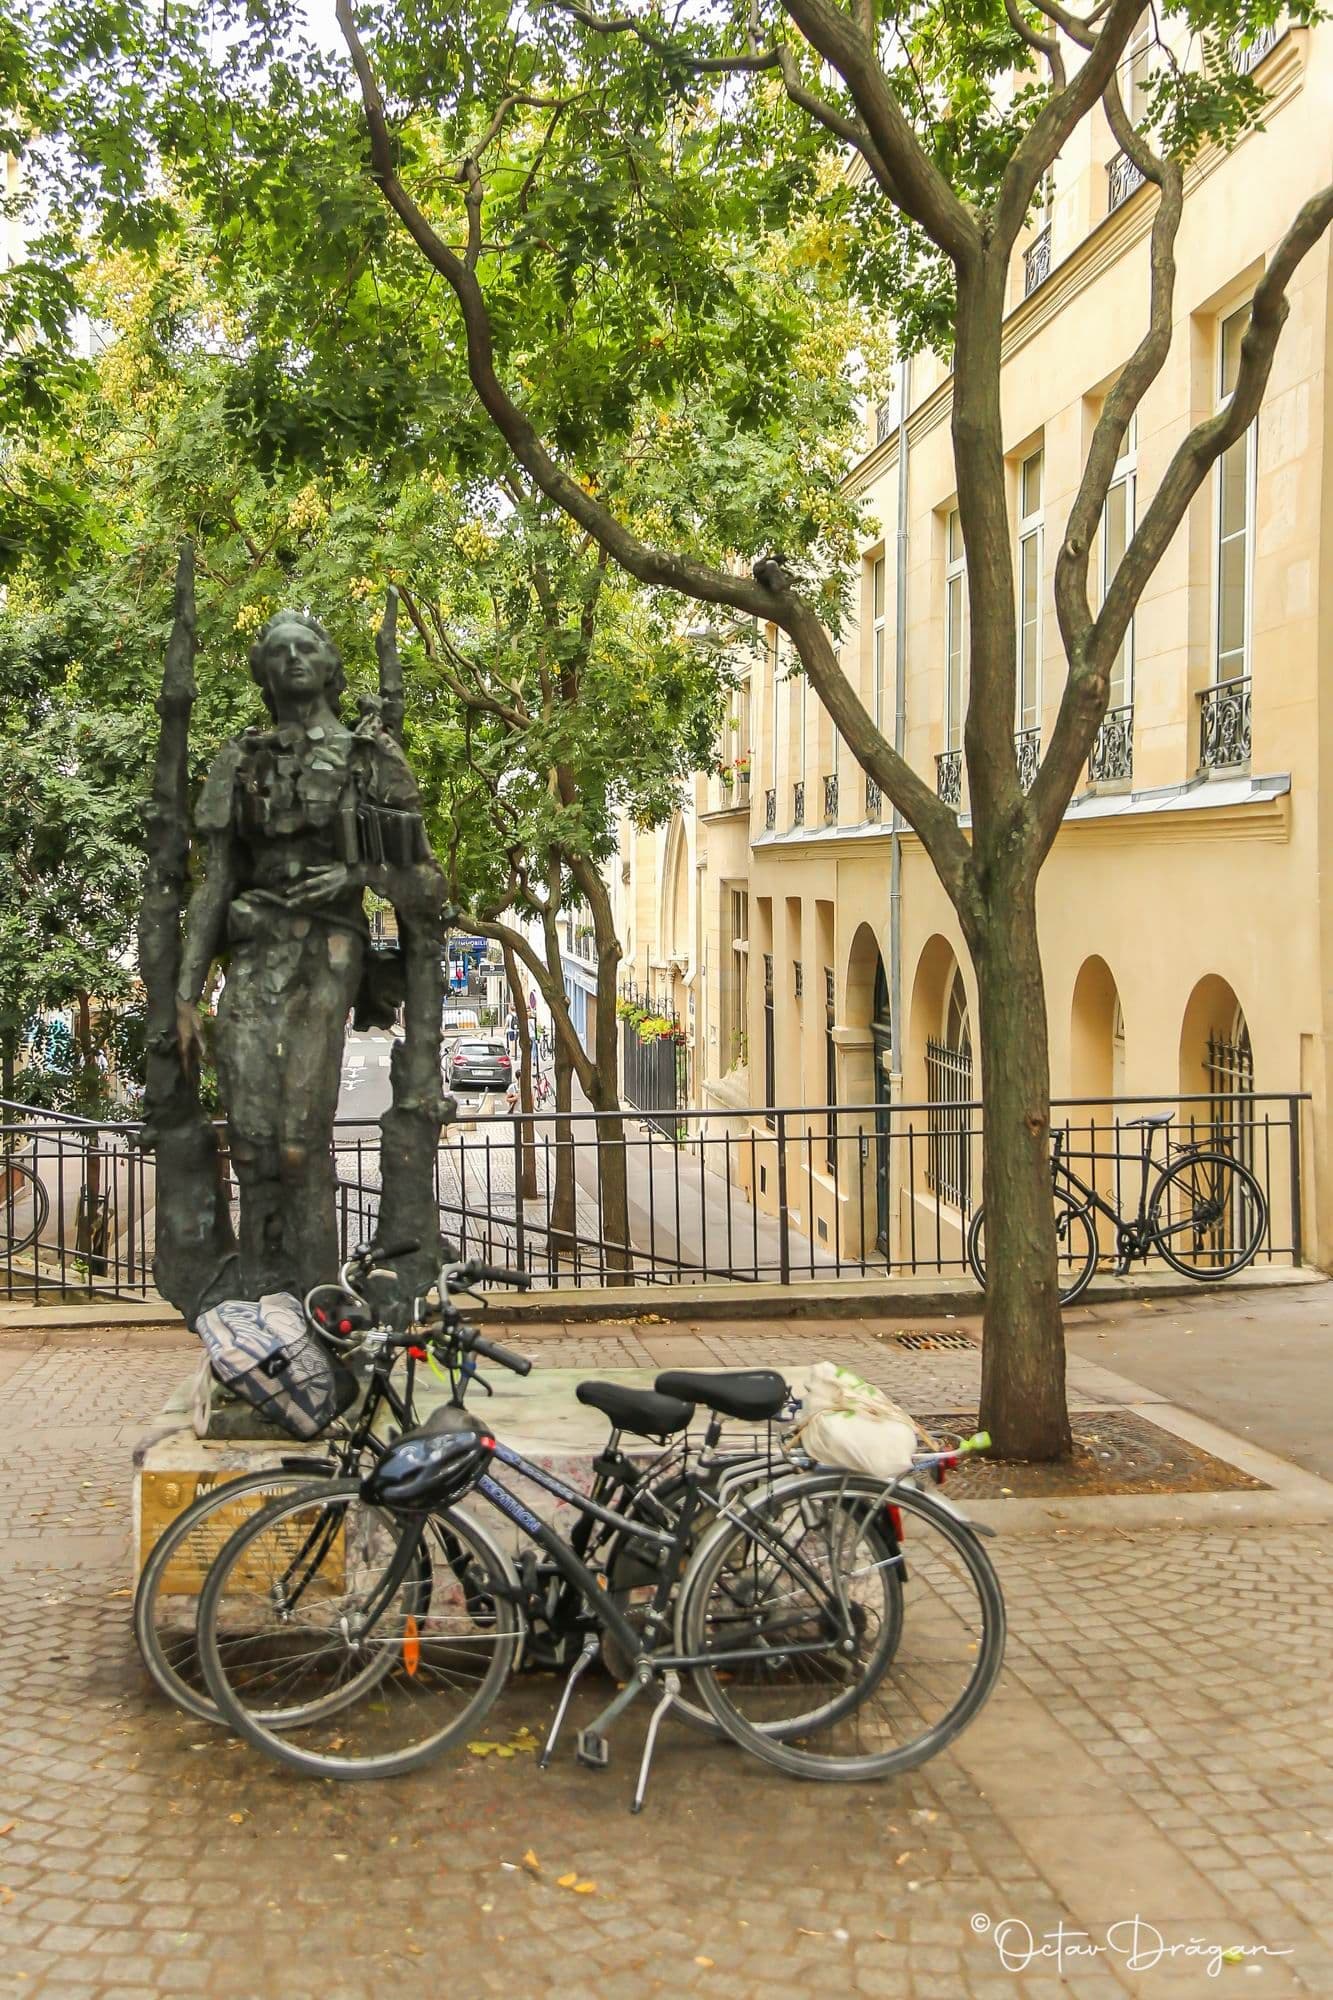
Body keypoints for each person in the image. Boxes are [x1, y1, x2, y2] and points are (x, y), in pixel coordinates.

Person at [176, 609, 433, 1296]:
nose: (292, 659)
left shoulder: (366, 755)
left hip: (327, 951)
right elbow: (216, 883)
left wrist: (357, 876)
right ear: (264, 670)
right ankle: (265, 1316)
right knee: (253, 1148)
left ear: (328, 664)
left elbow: (425, 883)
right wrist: (184, 994)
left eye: (306, 647)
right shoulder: (240, 760)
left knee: (297, 1146)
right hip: (254, 956)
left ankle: (316, 1317)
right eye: (278, 650)